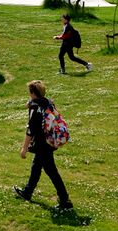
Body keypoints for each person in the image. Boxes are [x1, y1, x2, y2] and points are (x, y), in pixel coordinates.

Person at [14, 80, 73, 211]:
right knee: (36, 168)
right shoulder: (48, 103)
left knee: (51, 171)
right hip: (49, 141)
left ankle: (65, 200)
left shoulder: (35, 108)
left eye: (30, 92)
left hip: (42, 144)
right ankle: (27, 192)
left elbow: (31, 130)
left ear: (33, 93)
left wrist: (24, 148)